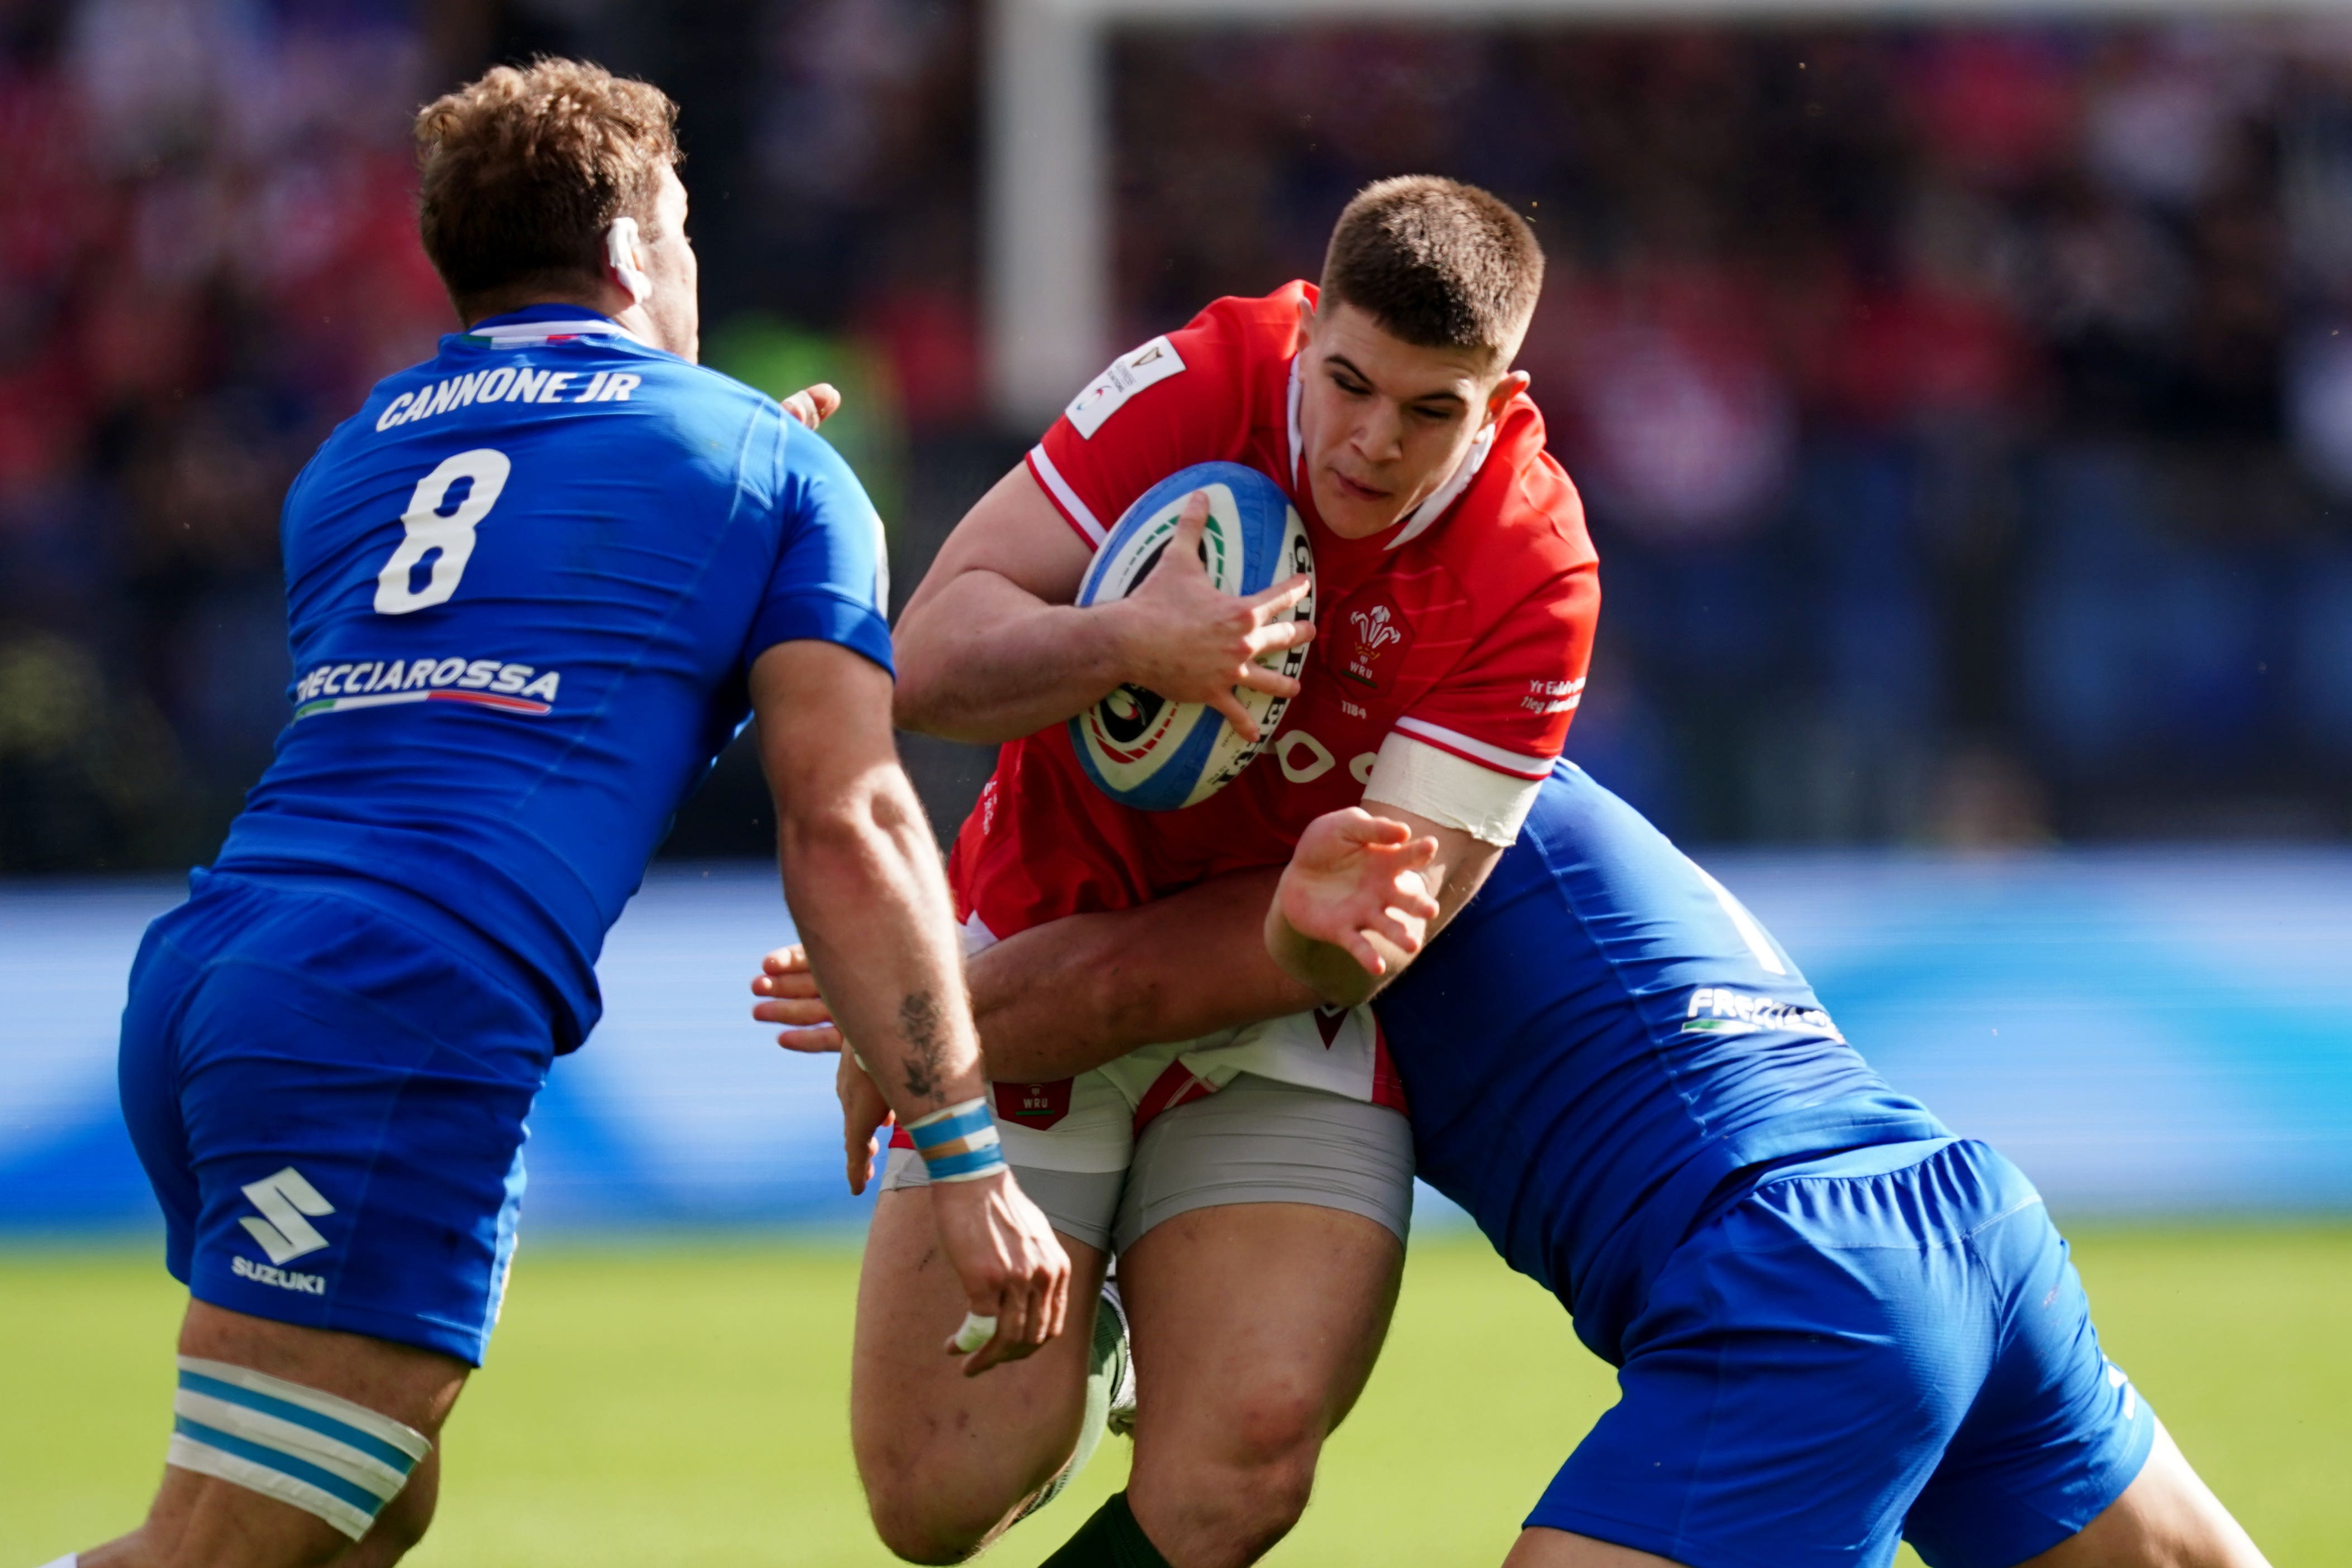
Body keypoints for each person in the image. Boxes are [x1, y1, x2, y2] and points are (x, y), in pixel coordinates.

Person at [54, 58, 1068, 1568]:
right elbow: (846, 817)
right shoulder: (760, 465)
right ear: (628, 251)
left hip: (212, 971)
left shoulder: (353, 460)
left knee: (359, 1515)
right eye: (682, 229)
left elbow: (500, 668)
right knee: (216, 1549)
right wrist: (968, 1157)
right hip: (392, 1003)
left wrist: (731, 484)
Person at [764, 764, 2273, 1568]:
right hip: (1956, 1214)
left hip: (1794, 1274)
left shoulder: (1359, 822)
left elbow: (1120, 992)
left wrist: (899, 1020)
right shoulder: (1487, 762)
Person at [769, 176, 1598, 1567]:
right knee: (932, 1498)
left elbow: (1337, 948)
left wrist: (927, 1019)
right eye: (1349, 384)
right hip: (1042, 918)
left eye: (1431, 411)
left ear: (1502, 396)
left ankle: (1142, 1307)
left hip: (1272, 995)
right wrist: (1133, 645)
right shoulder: (1198, 377)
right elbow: (925, 658)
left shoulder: (1533, 568)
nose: (1374, 442)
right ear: (1306, 332)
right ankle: (1085, 1354)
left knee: (1249, 1452)